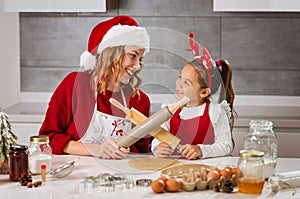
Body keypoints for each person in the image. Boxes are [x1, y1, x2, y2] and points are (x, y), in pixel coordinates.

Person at [39, 15, 151, 159]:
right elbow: (46, 139)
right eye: (132, 56)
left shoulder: (140, 101)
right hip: (76, 175)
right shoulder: (76, 85)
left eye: (140, 59)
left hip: (121, 177)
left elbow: (142, 154)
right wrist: (95, 149)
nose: (137, 66)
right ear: (111, 55)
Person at [151, 34, 235, 160]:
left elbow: (226, 145)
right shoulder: (169, 111)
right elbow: (157, 139)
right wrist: (158, 148)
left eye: (186, 83)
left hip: (204, 172)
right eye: (180, 77)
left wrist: (201, 149)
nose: (178, 84)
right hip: (172, 171)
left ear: (204, 93)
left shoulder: (215, 112)